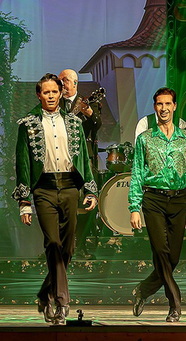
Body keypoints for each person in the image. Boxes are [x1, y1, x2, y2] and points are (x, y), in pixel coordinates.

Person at [14, 73, 97, 325]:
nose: (50, 96)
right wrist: (24, 201)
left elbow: (83, 158)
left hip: (70, 187)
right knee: (52, 242)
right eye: (46, 92)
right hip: (44, 189)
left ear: (61, 93)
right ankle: (62, 303)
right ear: (39, 95)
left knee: (68, 247)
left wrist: (90, 189)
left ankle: (44, 293)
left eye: (54, 92)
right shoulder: (27, 124)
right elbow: (22, 163)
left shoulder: (73, 122)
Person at [129, 87, 186, 323]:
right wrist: (134, 207)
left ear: (175, 106)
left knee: (172, 257)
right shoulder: (145, 139)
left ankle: (143, 290)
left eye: (168, 104)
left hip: (179, 200)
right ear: (154, 107)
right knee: (160, 251)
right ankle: (175, 304)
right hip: (153, 200)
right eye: (160, 104)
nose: (164, 108)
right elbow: (137, 173)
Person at [58, 69, 102, 260]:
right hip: (58, 160)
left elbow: (97, 124)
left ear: (75, 83)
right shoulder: (54, 103)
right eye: (60, 80)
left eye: (66, 80)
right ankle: (58, 246)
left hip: (82, 161)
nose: (62, 83)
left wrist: (90, 113)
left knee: (85, 202)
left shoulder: (88, 102)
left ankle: (81, 245)